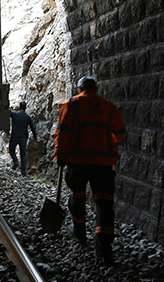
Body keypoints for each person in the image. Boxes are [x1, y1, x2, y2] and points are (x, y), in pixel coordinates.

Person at [54, 76, 126, 265]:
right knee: (104, 204)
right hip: (103, 165)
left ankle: (80, 234)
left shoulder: (71, 105)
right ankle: (103, 249)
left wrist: (60, 155)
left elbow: (63, 133)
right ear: (96, 88)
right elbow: (120, 135)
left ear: (80, 88)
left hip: (77, 162)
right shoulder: (109, 107)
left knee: (77, 196)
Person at [8, 101, 37, 176]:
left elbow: (7, 112)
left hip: (14, 136)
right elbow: (32, 128)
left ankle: (15, 161)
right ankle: (23, 172)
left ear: (19, 107)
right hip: (23, 137)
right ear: (25, 108)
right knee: (23, 154)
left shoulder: (15, 114)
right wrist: (35, 137)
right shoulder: (27, 117)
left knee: (11, 150)